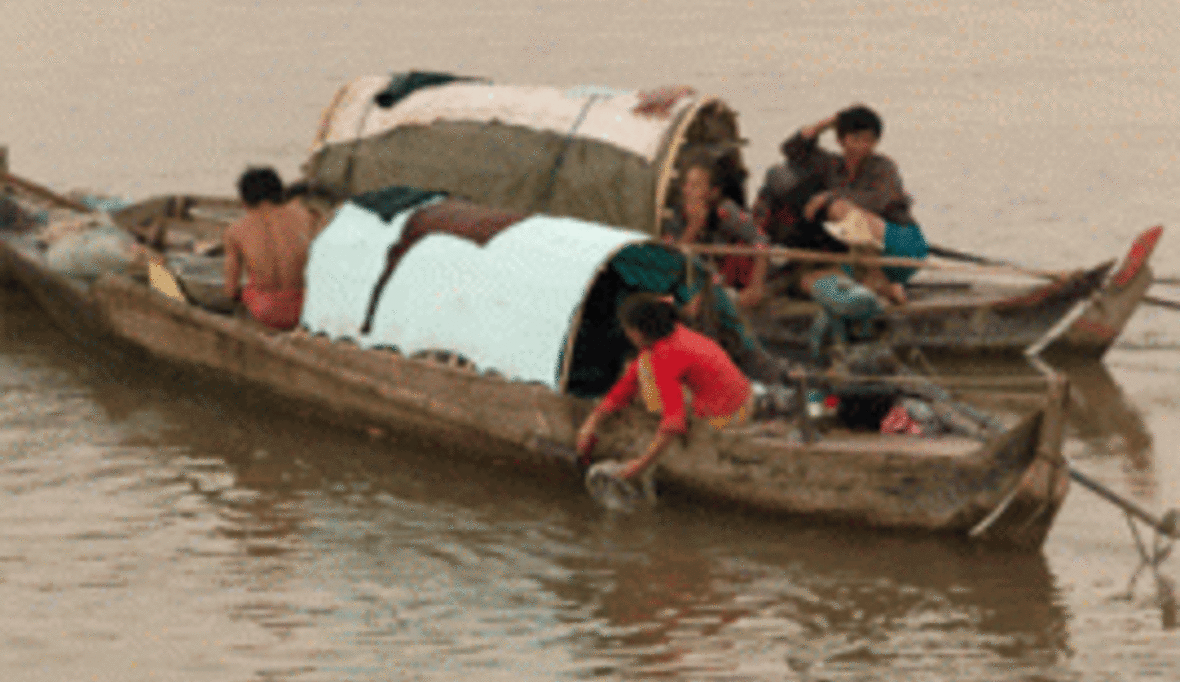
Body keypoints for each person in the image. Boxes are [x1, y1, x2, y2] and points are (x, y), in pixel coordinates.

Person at [576, 294, 754, 480]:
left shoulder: (663, 356)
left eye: (627, 330)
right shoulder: (676, 334)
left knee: (645, 373)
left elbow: (674, 424)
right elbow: (627, 384)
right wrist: (592, 422)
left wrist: (638, 466)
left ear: (637, 332)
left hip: (724, 418)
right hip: (745, 401)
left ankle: (665, 424)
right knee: (639, 368)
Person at [781, 105, 928, 304]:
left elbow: (878, 201)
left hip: (902, 246)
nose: (863, 146)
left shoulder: (883, 167)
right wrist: (826, 124)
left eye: (869, 140)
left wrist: (830, 196)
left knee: (838, 209)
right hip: (864, 256)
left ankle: (876, 278)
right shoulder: (831, 165)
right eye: (856, 139)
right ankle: (885, 287)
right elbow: (791, 150)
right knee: (810, 278)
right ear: (840, 141)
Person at [663, 152, 769, 308]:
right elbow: (670, 260)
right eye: (686, 184)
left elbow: (761, 240)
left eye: (696, 186)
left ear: (713, 192)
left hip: (723, 280)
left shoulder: (724, 211)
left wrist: (756, 286)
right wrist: (693, 226)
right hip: (693, 282)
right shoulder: (676, 217)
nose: (688, 191)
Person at [223, 167, 315, 330]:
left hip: (264, 311)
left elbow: (230, 290)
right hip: (305, 309)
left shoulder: (235, 230)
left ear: (244, 200)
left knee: (247, 291)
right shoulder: (306, 217)